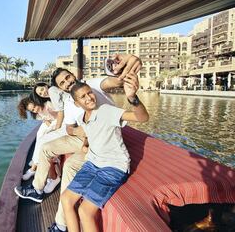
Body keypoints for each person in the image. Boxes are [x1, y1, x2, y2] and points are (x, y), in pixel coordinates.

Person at [14, 54, 143, 232]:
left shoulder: (90, 86)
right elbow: (68, 128)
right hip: (84, 137)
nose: (67, 83)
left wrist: (129, 63)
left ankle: (61, 224)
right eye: (62, 83)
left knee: (70, 167)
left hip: (103, 140)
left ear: (73, 74)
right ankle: (37, 189)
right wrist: (80, 131)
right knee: (45, 147)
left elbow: (115, 82)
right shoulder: (69, 101)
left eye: (68, 77)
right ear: (61, 88)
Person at [61, 76, 149, 232]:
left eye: (90, 93)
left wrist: (132, 97)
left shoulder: (106, 111)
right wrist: (85, 144)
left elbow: (142, 117)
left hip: (113, 167)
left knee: (85, 211)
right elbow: (91, 133)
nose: (89, 97)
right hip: (92, 164)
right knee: (66, 199)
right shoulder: (83, 118)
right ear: (77, 104)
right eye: (83, 96)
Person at [17, 95, 61, 193]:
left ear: (36, 102)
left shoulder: (48, 105)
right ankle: (35, 164)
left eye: (34, 107)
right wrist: (47, 123)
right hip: (51, 124)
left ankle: (34, 167)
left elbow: (59, 117)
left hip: (58, 124)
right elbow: (45, 119)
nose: (35, 110)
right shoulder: (38, 113)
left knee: (43, 141)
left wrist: (51, 125)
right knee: (39, 134)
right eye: (32, 110)